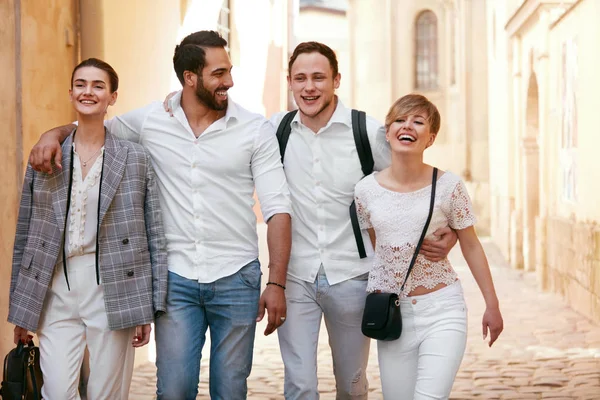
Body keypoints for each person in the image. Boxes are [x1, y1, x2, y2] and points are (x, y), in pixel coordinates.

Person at [27, 31, 292, 400]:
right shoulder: (150, 121)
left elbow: (278, 208)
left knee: (231, 390)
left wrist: (276, 284)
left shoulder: (254, 129)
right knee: (174, 390)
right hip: (176, 279)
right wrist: (50, 134)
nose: (228, 81)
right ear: (190, 78)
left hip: (237, 276)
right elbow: (92, 127)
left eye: (228, 71)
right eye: (218, 73)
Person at [269, 42, 458, 400]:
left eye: (318, 77)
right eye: (300, 78)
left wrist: (446, 227)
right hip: (296, 277)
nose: (309, 87)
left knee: (352, 384)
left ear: (336, 80)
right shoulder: (275, 131)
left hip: (353, 276)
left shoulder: (367, 131)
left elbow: (411, 181)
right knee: (299, 385)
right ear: (290, 83)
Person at [8, 58, 167, 399]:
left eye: (98, 85)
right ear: (70, 93)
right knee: (57, 393)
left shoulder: (135, 158)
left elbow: (154, 234)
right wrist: (24, 309)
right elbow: (26, 235)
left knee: (106, 394)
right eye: (81, 84)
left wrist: (146, 308)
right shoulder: (45, 155)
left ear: (113, 97)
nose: (88, 91)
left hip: (113, 285)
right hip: (54, 288)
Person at [354, 94, 504, 399]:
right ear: (388, 131)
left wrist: (492, 305)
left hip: (442, 310)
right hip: (394, 317)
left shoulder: (449, 186)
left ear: (430, 138)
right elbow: (378, 246)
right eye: (400, 119)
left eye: (418, 121)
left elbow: (472, 245)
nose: (407, 125)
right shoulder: (365, 191)